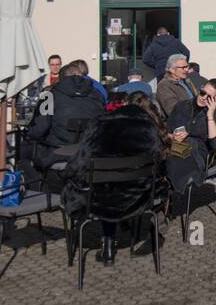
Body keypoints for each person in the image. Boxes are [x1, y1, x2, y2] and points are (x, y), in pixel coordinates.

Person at [61, 92, 167, 267]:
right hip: (138, 199)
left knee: (103, 187)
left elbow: (80, 162)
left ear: (123, 105)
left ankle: (108, 245)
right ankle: (122, 230)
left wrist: (69, 177)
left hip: (99, 201)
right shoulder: (149, 127)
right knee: (117, 186)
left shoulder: (100, 124)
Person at [27, 60, 107, 176]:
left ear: (60, 79)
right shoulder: (97, 95)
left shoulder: (49, 96)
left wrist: (29, 133)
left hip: (58, 152)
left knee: (23, 153)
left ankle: (35, 190)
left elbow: (38, 130)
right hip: (90, 151)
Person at [165, 78, 216, 202]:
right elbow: (166, 131)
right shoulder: (182, 106)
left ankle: (168, 191)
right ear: (200, 89)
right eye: (203, 93)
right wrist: (172, 136)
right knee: (158, 159)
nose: (203, 98)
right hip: (174, 146)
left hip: (198, 153)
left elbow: (215, 143)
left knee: (172, 161)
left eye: (209, 97)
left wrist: (210, 116)